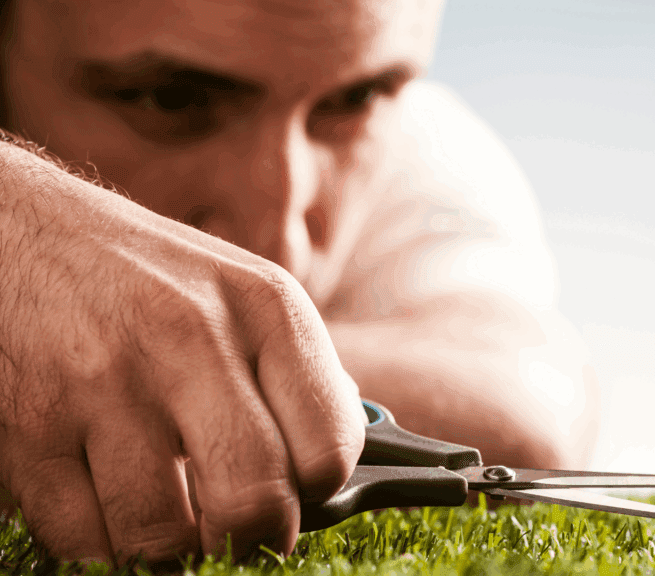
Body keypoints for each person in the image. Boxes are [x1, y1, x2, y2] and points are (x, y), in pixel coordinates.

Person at [0, 0, 599, 568]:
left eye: (358, 96)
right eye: (172, 96)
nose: (280, 241)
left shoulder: (423, 146)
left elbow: (526, 411)